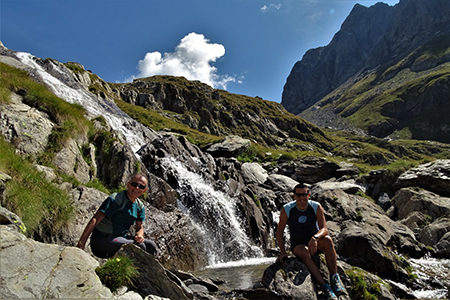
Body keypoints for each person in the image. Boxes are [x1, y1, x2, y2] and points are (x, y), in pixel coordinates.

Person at [276, 183, 347, 300]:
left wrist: (315, 238)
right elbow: (279, 232)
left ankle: (334, 278)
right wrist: (283, 252)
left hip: (314, 240)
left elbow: (324, 229)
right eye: (298, 195)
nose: (301, 198)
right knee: (304, 251)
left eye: (304, 194)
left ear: (309, 195)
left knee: (328, 241)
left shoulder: (316, 206)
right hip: (297, 244)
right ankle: (325, 286)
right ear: (294, 196)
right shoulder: (287, 209)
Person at [76, 173, 157, 258]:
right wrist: (81, 244)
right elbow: (95, 219)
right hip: (102, 240)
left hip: (120, 238)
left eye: (141, 186)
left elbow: (139, 227)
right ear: (128, 184)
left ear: (144, 190)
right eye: (134, 184)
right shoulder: (116, 199)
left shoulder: (140, 206)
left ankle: (147, 270)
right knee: (140, 247)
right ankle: (129, 270)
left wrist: (139, 235)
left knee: (151, 245)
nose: (137, 188)